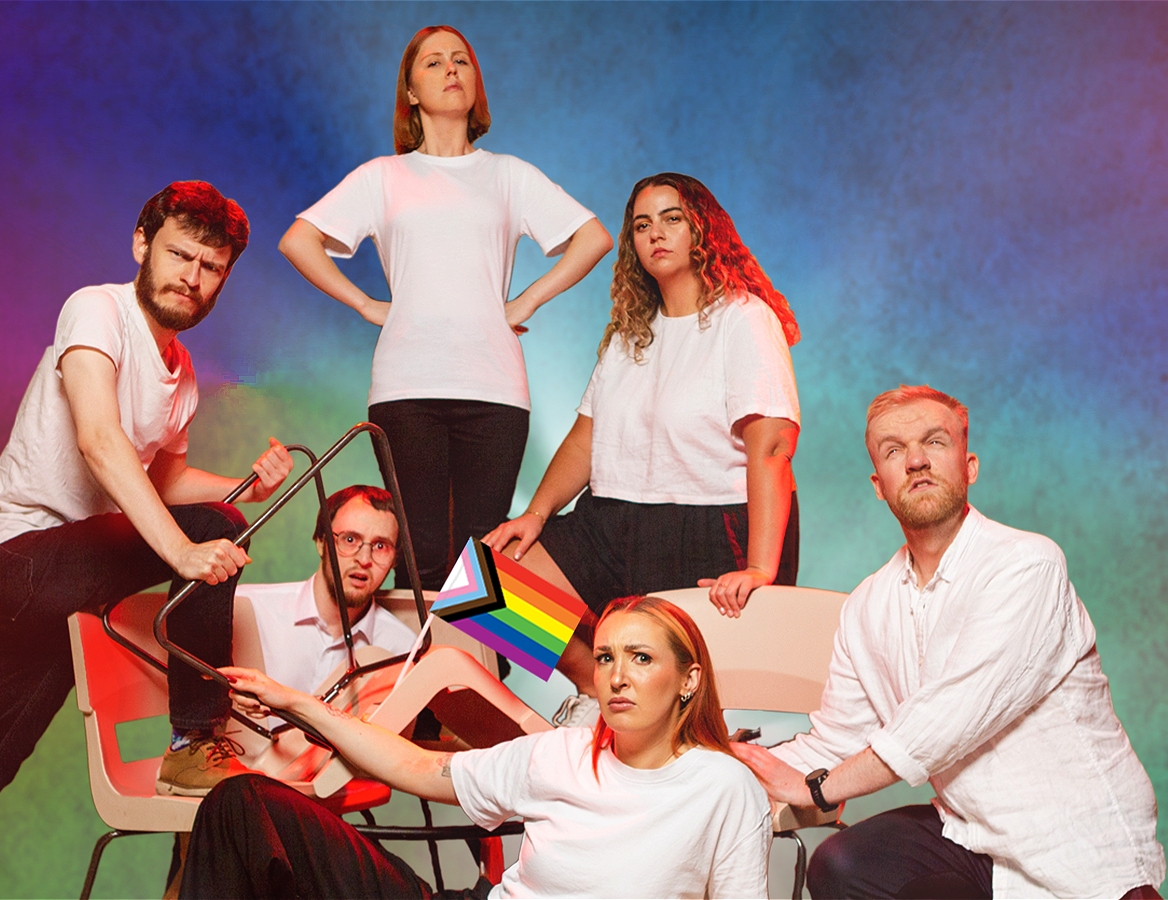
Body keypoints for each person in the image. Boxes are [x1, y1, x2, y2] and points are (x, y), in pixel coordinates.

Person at [0, 182, 293, 899]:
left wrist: (245, 480)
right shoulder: (98, 309)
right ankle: (193, 743)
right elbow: (99, 440)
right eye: (181, 255)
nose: (193, 276)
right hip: (22, 560)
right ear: (142, 245)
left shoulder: (180, 378)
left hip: (68, 583)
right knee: (216, 532)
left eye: (212, 268)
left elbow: (169, 478)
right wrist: (185, 551)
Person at [729, 386, 1166, 899]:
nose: (915, 460)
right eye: (893, 451)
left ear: (969, 465)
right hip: (970, 837)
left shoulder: (1026, 565)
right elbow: (836, 740)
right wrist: (729, 761)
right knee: (847, 865)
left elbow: (947, 718)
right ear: (879, 485)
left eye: (934, 442)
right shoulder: (868, 604)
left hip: (1077, 852)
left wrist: (816, 788)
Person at [280, 24, 613, 594]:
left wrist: (527, 299)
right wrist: (363, 303)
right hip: (407, 385)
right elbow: (298, 240)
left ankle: (487, 676)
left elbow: (594, 237)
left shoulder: (507, 174)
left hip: (495, 387)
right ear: (410, 91)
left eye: (461, 60)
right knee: (425, 548)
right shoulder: (384, 177)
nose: (451, 69)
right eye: (433, 63)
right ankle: (430, 677)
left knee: (486, 552)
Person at [182, 596, 771, 899]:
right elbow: (419, 766)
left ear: (688, 679)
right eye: (606, 657)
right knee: (242, 804)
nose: (616, 676)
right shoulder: (559, 754)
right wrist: (298, 703)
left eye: (641, 658)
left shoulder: (724, 788)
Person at [483, 173, 801, 726]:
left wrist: (759, 567)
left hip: (709, 523)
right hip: (615, 518)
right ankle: (593, 695)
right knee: (484, 586)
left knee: (673, 696)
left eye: (672, 218)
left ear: (704, 227)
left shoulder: (744, 319)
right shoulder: (632, 333)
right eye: (641, 224)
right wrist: (536, 514)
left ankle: (694, 743)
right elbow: (587, 435)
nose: (656, 233)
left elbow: (770, 446)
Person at [237, 484, 417, 699]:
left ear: (394, 559)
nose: (364, 559)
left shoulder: (403, 647)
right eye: (350, 540)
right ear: (321, 543)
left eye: (381, 546)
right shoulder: (248, 608)